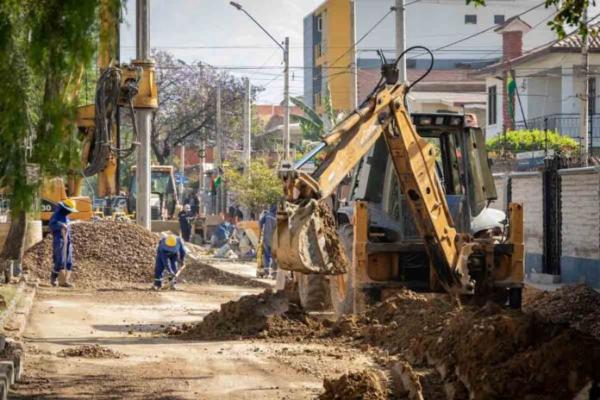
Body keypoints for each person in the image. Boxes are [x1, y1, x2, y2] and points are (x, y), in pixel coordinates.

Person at [49, 199, 78, 288]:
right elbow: (52, 225)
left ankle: (64, 281)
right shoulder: (56, 215)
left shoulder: (66, 217)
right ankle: (53, 278)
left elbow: (68, 226)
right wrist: (61, 225)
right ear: (65, 208)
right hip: (59, 239)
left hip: (67, 239)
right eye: (69, 210)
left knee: (68, 261)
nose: (70, 212)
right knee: (60, 260)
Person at [259, 204, 277, 278]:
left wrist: (260, 233)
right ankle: (274, 273)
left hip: (266, 238)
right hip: (274, 239)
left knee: (266, 255)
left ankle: (266, 273)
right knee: (274, 256)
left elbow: (260, 223)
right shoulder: (276, 217)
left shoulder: (267, 215)